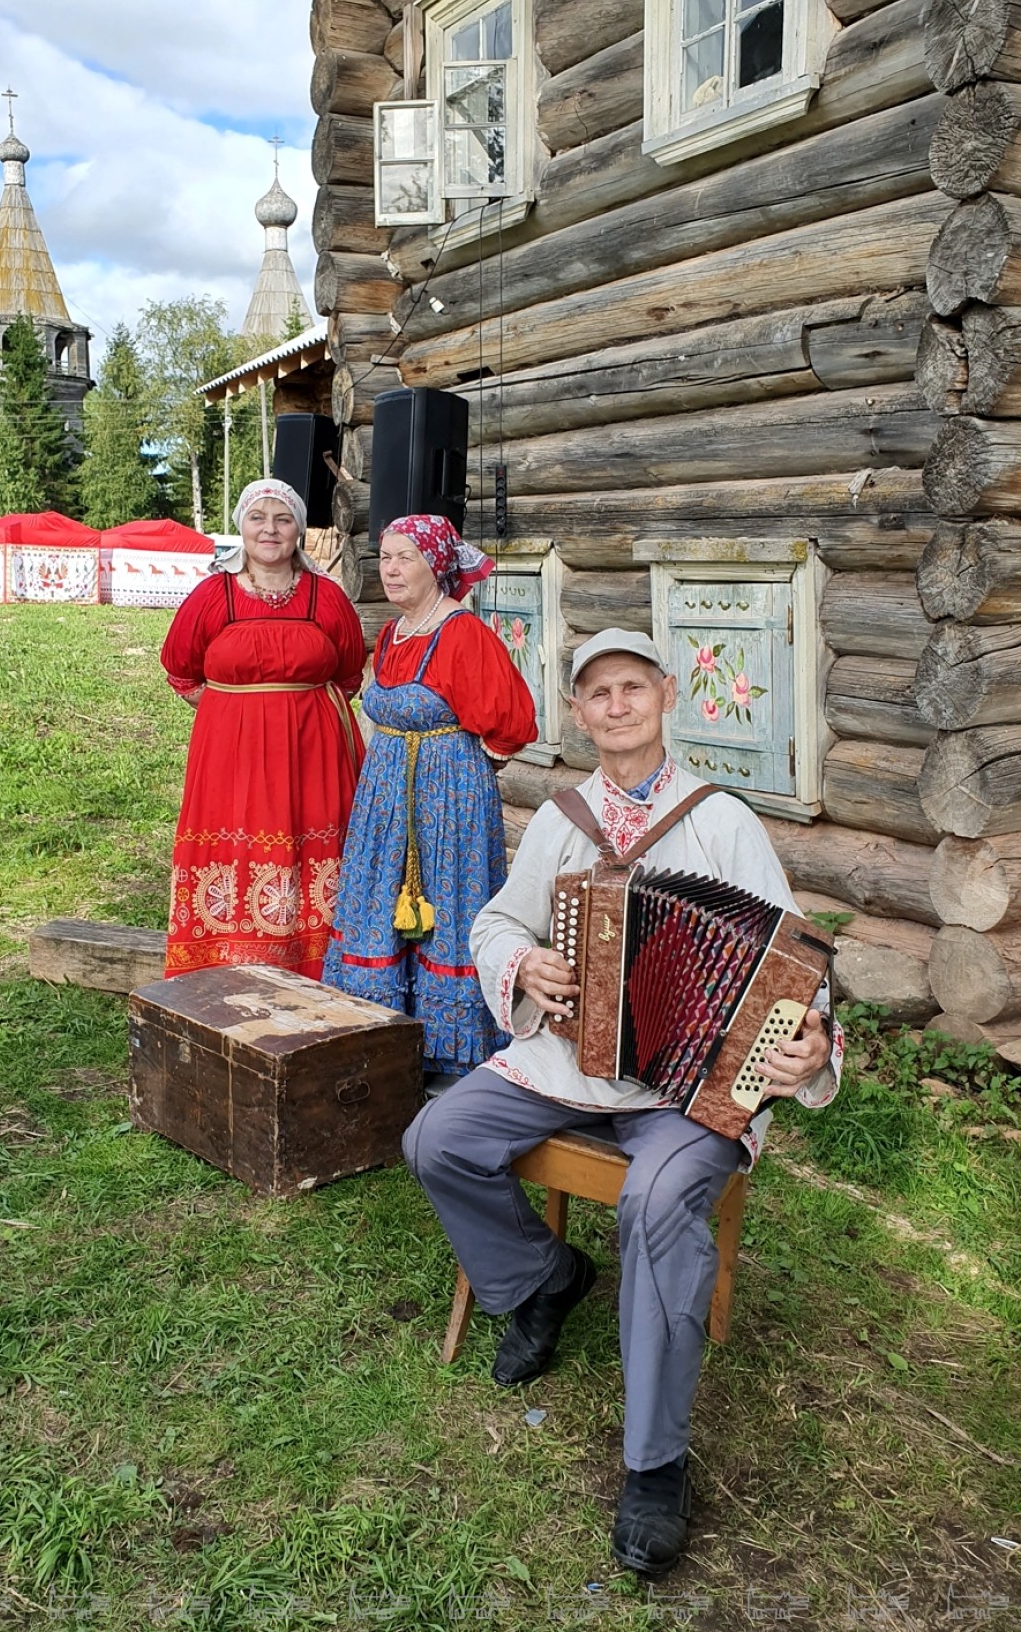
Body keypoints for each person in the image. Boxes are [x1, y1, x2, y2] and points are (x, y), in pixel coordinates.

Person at [403, 629, 844, 1580]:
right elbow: (496, 921)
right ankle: (542, 1280)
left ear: (665, 695)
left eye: (631, 687)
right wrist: (525, 963)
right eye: (596, 692)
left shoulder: (721, 820)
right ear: (578, 712)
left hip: (688, 1087)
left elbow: (795, 969)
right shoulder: (564, 818)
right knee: (437, 1135)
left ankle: (654, 1462)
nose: (614, 704)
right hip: (569, 1065)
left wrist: (812, 1045)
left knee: (653, 1203)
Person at [323, 514, 537, 1076]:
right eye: (386, 558)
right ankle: (377, 1031)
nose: (391, 570)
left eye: (405, 558)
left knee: (447, 909)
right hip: (385, 799)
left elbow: (511, 723)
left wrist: (460, 775)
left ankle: (447, 1055)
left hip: (447, 801)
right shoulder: (392, 634)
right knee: (377, 902)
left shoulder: (464, 634)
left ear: (436, 567)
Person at [161, 478, 365, 980]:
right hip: (231, 755)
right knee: (238, 843)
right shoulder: (213, 596)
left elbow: (349, 673)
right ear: (241, 528)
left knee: (310, 843)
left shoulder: (327, 598)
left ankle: (320, 968)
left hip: (314, 753)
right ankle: (223, 966)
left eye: (283, 519)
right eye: (258, 518)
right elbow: (180, 668)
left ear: (298, 530)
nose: (269, 530)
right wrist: (233, 718)